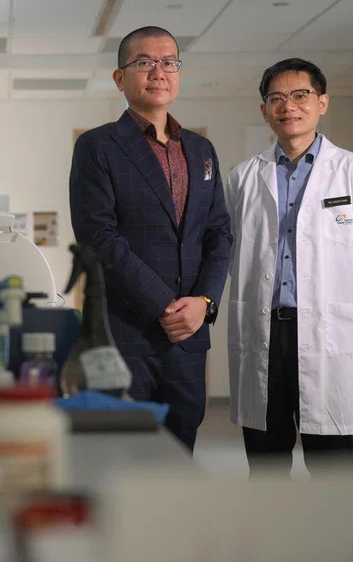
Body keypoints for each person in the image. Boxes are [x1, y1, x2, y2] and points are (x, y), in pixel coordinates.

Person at [226, 58, 353, 475]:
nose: (288, 106)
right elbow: (229, 252)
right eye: (276, 98)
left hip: (326, 329)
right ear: (264, 110)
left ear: (322, 102)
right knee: (266, 459)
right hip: (264, 329)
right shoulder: (244, 178)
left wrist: (340, 300)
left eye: (300, 95)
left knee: (330, 461)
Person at [69, 25, 233, 451]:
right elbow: (98, 237)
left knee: (180, 453)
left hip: (188, 339)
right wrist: (165, 305)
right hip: (125, 334)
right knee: (121, 456)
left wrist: (204, 302)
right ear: (120, 77)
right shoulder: (97, 146)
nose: (159, 71)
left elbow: (219, 234)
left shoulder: (201, 150)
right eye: (144, 62)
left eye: (169, 62)